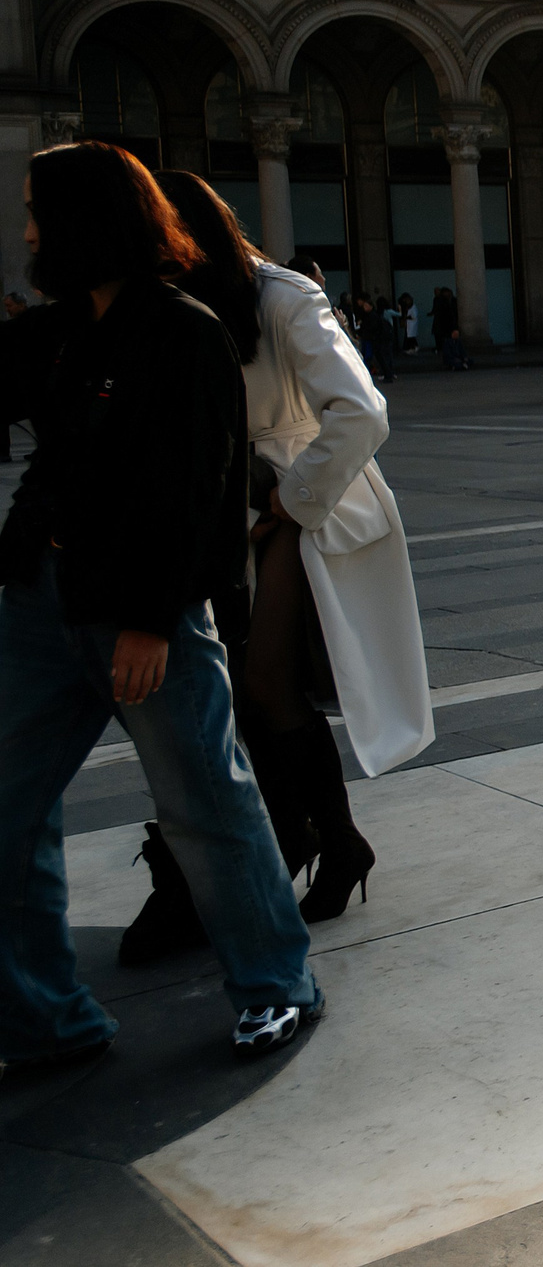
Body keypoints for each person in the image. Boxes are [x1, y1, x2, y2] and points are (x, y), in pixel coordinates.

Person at [0, 143, 323, 1062]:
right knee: (8, 809)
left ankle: (277, 983)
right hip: (39, 602)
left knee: (203, 804)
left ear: (84, 222)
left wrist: (148, 618)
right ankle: (42, 1016)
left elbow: (195, 493)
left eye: (36, 212)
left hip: (145, 610)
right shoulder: (61, 331)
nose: (25, 231)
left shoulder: (183, 331)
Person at [119, 174, 432, 961]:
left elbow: (362, 411)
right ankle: (323, 836)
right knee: (255, 695)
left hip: (300, 505)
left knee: (265, 688)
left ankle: (320, 839)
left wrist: (290, 500)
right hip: (228, 507)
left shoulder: (282, 295)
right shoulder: (170, 305)